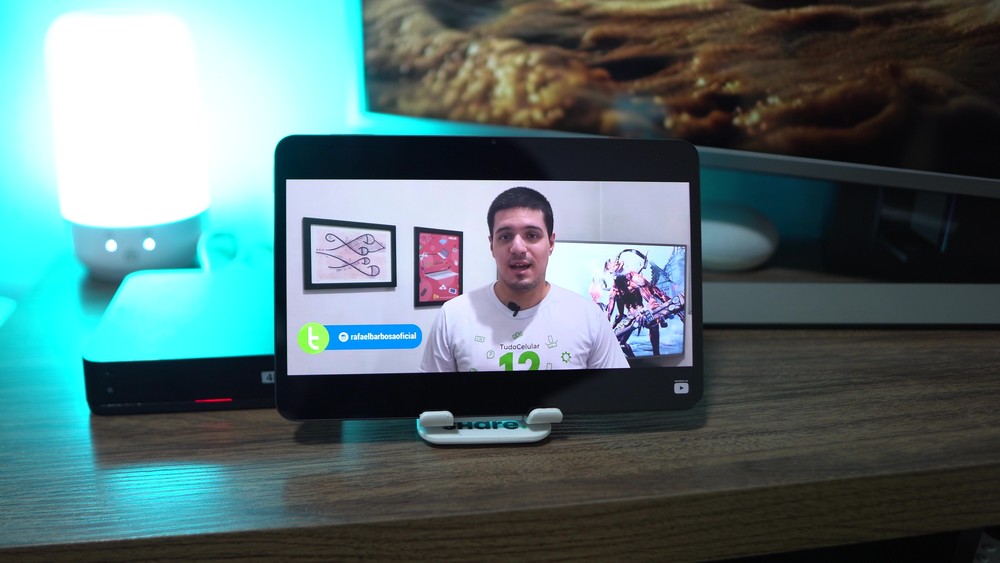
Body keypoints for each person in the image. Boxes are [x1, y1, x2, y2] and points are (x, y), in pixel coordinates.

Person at [420, 187, 630, 372]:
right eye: (505, 236)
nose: (518, 248)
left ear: (551, 243)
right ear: (492, 245)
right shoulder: (453, 316)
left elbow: (615, 396)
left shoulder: (589, 317)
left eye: (532, 235)